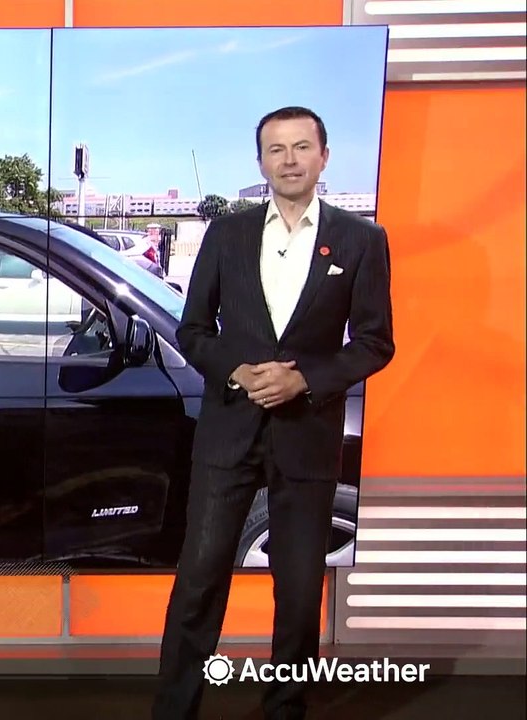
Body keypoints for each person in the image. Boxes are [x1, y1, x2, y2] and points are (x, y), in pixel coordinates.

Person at [151, 106, 395, 719]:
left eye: (301, 147)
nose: (289, 160)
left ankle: (284, 712)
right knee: (199, 583)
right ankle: (174, 711)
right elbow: (194, 329)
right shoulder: (227, 234)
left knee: (296, 597)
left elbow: (374, 342)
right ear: (261, 161)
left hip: (307, 437)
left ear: (323, 156)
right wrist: (235, 369)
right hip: (228, 432)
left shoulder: (363, 240)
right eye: (276, 149)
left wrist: (303, 380)